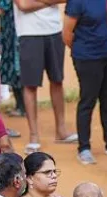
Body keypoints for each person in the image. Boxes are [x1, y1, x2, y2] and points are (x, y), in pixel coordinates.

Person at [64, 0, 107, 165]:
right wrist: (82, 50)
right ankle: (84, 148)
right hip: (87, 57)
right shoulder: (77, 2)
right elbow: (66, 33)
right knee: (88, 101)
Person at [15, 0, 73, 152]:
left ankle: (61, 131)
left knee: (57, 80)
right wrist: (48, 2)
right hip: (29, 33)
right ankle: (34, 135)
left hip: (54, 29)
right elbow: (23, 5)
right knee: (30, 84)